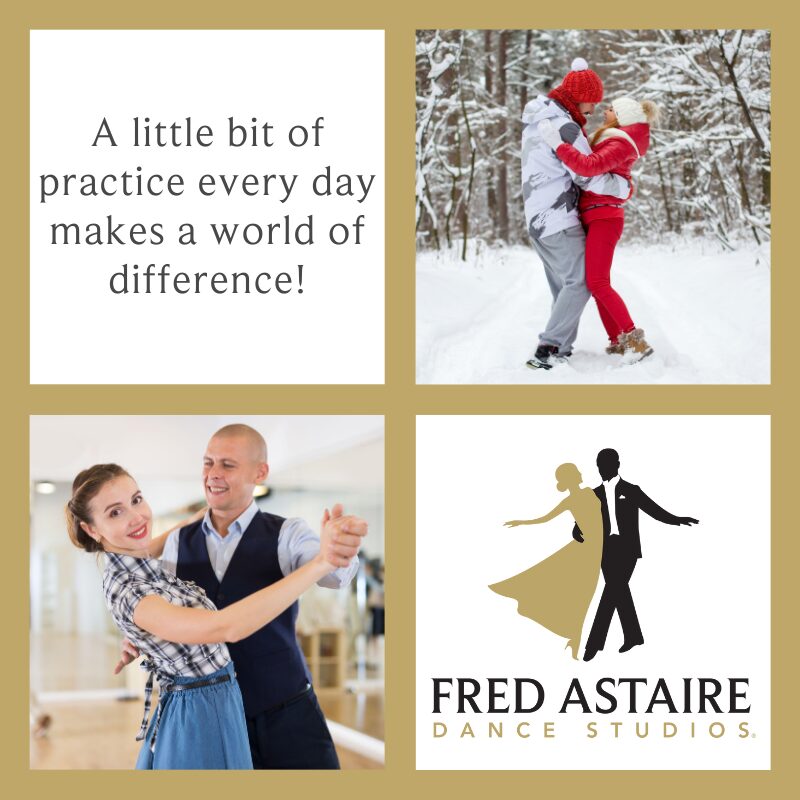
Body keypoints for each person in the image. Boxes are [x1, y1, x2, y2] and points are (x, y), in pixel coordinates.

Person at [66, 463, 366, 769]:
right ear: (91, 529)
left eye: (137, 499)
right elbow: (227, 627)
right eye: (115, 513)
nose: (136, 516)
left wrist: (208, 512)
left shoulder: (137, 556)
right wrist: (321, 562)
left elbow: (166, 534)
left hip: (224, 701)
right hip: (201, 712)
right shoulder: (129, 588)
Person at [521, 57, 633, 370]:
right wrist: (622, 187)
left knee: (564, 285)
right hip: (558, 216)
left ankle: (561, 348)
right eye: (591, 103)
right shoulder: (565, 127)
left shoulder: (539, 119)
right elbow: (587, 173)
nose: (593, 110)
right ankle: (548, 348)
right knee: (581, 282)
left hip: (537, 219)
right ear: (579, 97)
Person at [539, 96, 660, 360]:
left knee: (598, 282)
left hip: (605, 218)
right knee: (597, 284)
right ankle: (619, 339)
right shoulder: (611, 139)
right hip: (595, 216)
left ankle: (634, 341)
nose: (605, 111)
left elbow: (589, 166)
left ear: (620, 117)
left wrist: (557, 144)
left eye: (611, 109)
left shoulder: (618, 144)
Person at [575, 449, 699, 661]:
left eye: (606, 464)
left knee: (611, 591)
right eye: (599, 465)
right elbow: (582, 521)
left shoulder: (630, 490)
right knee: (618, 591)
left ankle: (593, 645)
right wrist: (577, 532)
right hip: (605, 550)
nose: (602, 469)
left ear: (617, 464)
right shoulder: (593, 494)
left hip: (627, 549)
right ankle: (633, 636)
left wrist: (677, 519)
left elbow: (653, 510)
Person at [491, 463, 603, 659]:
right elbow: (545, 518)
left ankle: (575, 639)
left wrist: (577, 527)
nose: (581, 473)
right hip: (588, 549)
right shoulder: (572, 500)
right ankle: (575, 638)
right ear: (571, 478)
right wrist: (522, 522)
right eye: (577, 472)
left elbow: (601, 516)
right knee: (581, 594)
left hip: (594, 548)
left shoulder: (588, 493)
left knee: (582, 595)